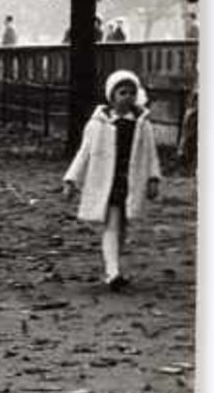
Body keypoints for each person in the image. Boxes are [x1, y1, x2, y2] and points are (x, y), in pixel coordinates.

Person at [63, 70, 161, 291]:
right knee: (113, 223)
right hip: (107, 180)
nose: (127, 97)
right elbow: (84, 153)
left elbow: (150, 153)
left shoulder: (142, 124)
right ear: (112, 95)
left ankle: (114, 267)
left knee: (123, 225)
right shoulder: (98, 124)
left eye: (132, 92)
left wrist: (153, 177)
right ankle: (113, 271)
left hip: (130, 180)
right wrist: (72, 179)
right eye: (122, 92)